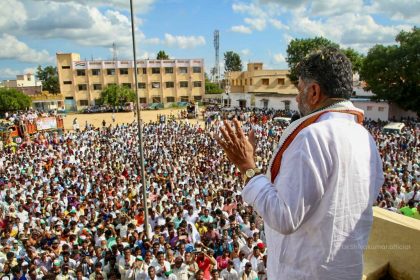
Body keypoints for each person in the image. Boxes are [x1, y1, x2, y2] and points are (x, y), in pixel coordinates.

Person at [216, 48, 384, 279]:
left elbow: (284, 218)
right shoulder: (365, 138)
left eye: (299, 90)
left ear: (314, 92)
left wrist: (247, 166)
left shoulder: (313, 136)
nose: (296, 98)